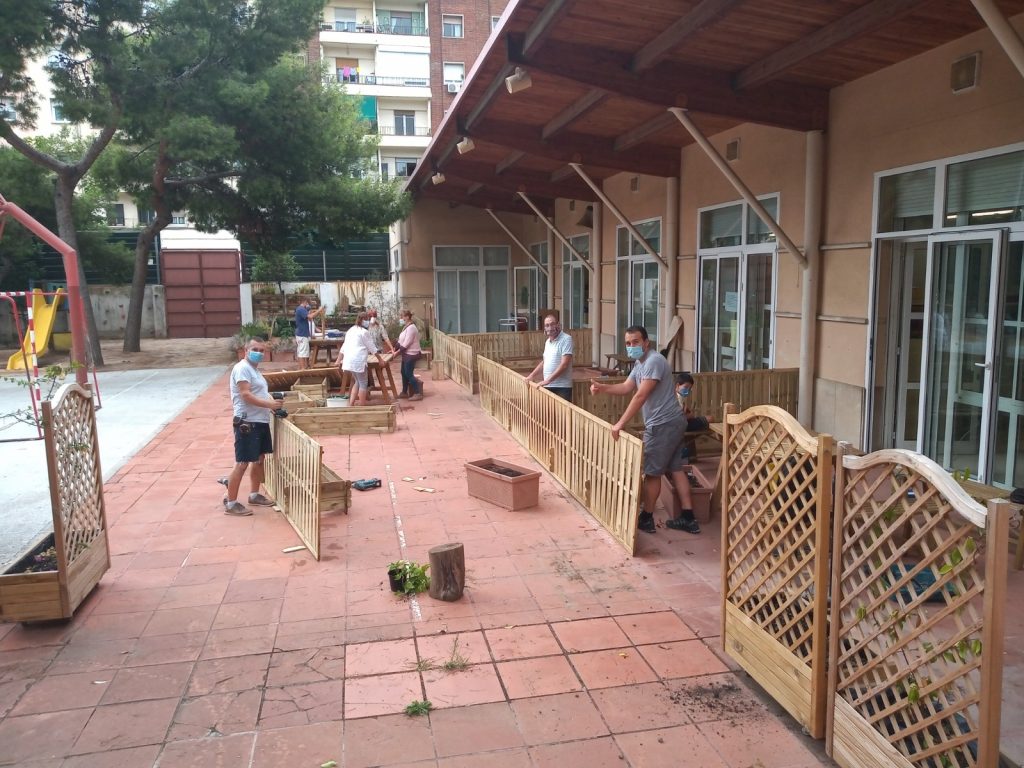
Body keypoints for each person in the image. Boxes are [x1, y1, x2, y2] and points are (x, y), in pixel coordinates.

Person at [589, 325, 701, 535]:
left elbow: (640, 395)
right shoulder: (640, 364)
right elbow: (626, 387)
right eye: (628, 343)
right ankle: (689, 518)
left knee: (652, 473)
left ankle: (647, 518)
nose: (631, 346)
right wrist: (603, 388)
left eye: (635, 342)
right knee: (676, 468)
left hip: (662, 425)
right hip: (672, 422)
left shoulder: (653, 361)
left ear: (646, 343)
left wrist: (620, 423)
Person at [222, 337, 286, 516]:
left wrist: (271, 406)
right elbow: (246, 395)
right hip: (247, 421)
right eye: (255, 349)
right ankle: (231, 503)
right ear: (246, 350)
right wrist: (269, 405)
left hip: (259, 420)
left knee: (259, 459)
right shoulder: (242, 368)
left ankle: (254, 494)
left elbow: (260, 393)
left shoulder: (254, 370)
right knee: (242, 462)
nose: (259, 353)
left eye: (262, 350)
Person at [339, 311, 384, 406]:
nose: (369, 322)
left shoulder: (351, 330)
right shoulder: (364, 332)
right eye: (367, 320)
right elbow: (372, 347)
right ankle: (362, 405)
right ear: (363, 320)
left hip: (349, 360)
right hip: (358, 360)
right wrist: (380, 359)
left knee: (357, 382)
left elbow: (344, 346)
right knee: (363, 383)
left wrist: (339, 359)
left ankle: (351, 403)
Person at [525, 313, 574, 401]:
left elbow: (564, 364)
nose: (550, 328)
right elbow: (545, 362)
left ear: (558, 324)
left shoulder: (566, 339)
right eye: (547, 325)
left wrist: (548, 380)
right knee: (547, 410)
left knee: (561, 410)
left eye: (552, 324)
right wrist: (531, 376)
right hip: (548, 385)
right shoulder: (547, 342)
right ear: (544, 328)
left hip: (562, 387)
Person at [394, 308, 424, 401]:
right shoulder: (406, 327)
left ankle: (418, 393)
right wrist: (394, 349)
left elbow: (406, 343)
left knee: (408, 373)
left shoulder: (412, 328)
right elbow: (401, 340)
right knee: (403, 372)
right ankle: (404, 392)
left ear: (407, 317)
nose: (401, 318)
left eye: (402, 316)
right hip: (406, 354)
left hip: (411, 354)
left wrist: (397, 352)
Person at [294, 298, 325, 370]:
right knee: (302, 352)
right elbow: (310, 316)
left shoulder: (302, 309)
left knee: (303, 351)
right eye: (307, 303)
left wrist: (315, 311)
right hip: (302, 334)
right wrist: (319, 310)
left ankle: (304, 367)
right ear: (305, 302)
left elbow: (310, 315)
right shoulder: (301, 309)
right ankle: (302, 368)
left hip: (303, 333)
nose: (308, 305)